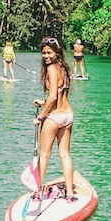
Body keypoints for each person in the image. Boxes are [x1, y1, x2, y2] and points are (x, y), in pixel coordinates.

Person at [33, 37, 76, 202]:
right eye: (43, 53)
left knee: (44, 155)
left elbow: (52, 97)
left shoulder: (51, 68)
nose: (46, 56)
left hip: (55, 116)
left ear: (57, 53)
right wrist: (43, 102)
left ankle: (38, 192)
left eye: (49, 52)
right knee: (65, 155)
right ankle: (70, 194)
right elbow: (59, 95)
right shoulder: (64, 68)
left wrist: (41, 117)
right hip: (68, 115)